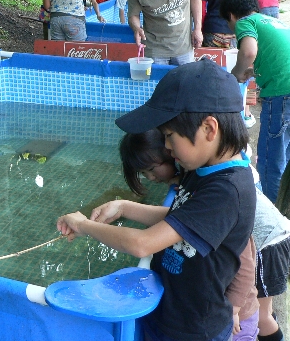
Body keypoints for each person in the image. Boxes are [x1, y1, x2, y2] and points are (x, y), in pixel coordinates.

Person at [57, 59, 256, 340]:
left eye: (169, 136)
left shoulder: (228, 190)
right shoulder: (202, 170)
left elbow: (142, 244)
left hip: (194, 329)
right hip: (169, 311)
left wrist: (83, 225)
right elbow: (179, 218)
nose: (165, 146)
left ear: (209, 129)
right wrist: (124, 206)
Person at [121, 130, 290, 341]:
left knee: (258, 314)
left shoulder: (217, 193)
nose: (150, 178)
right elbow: (181, 221)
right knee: (257, 309)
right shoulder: (198, 177)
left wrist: (234, 310)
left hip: (270, 241)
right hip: (261, 239)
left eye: (151, 170)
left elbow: (245, 265)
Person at [220, 0, 290, 204]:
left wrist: (238, 73)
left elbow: (249, 52)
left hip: (281, 94)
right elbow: (277, 56)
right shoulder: (271, 21)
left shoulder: (244, 22)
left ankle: (271, 212)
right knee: (286, 154)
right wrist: (254, 72)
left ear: (231, 16)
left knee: (271, 158)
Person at [199, 0, 256, 128]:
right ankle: (242, 113)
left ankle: (214, 115)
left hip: (212, 31)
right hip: (239, 33)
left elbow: (202, 6)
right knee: (242, 73)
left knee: (213, 73)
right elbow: (250, 3)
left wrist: (197, 29)